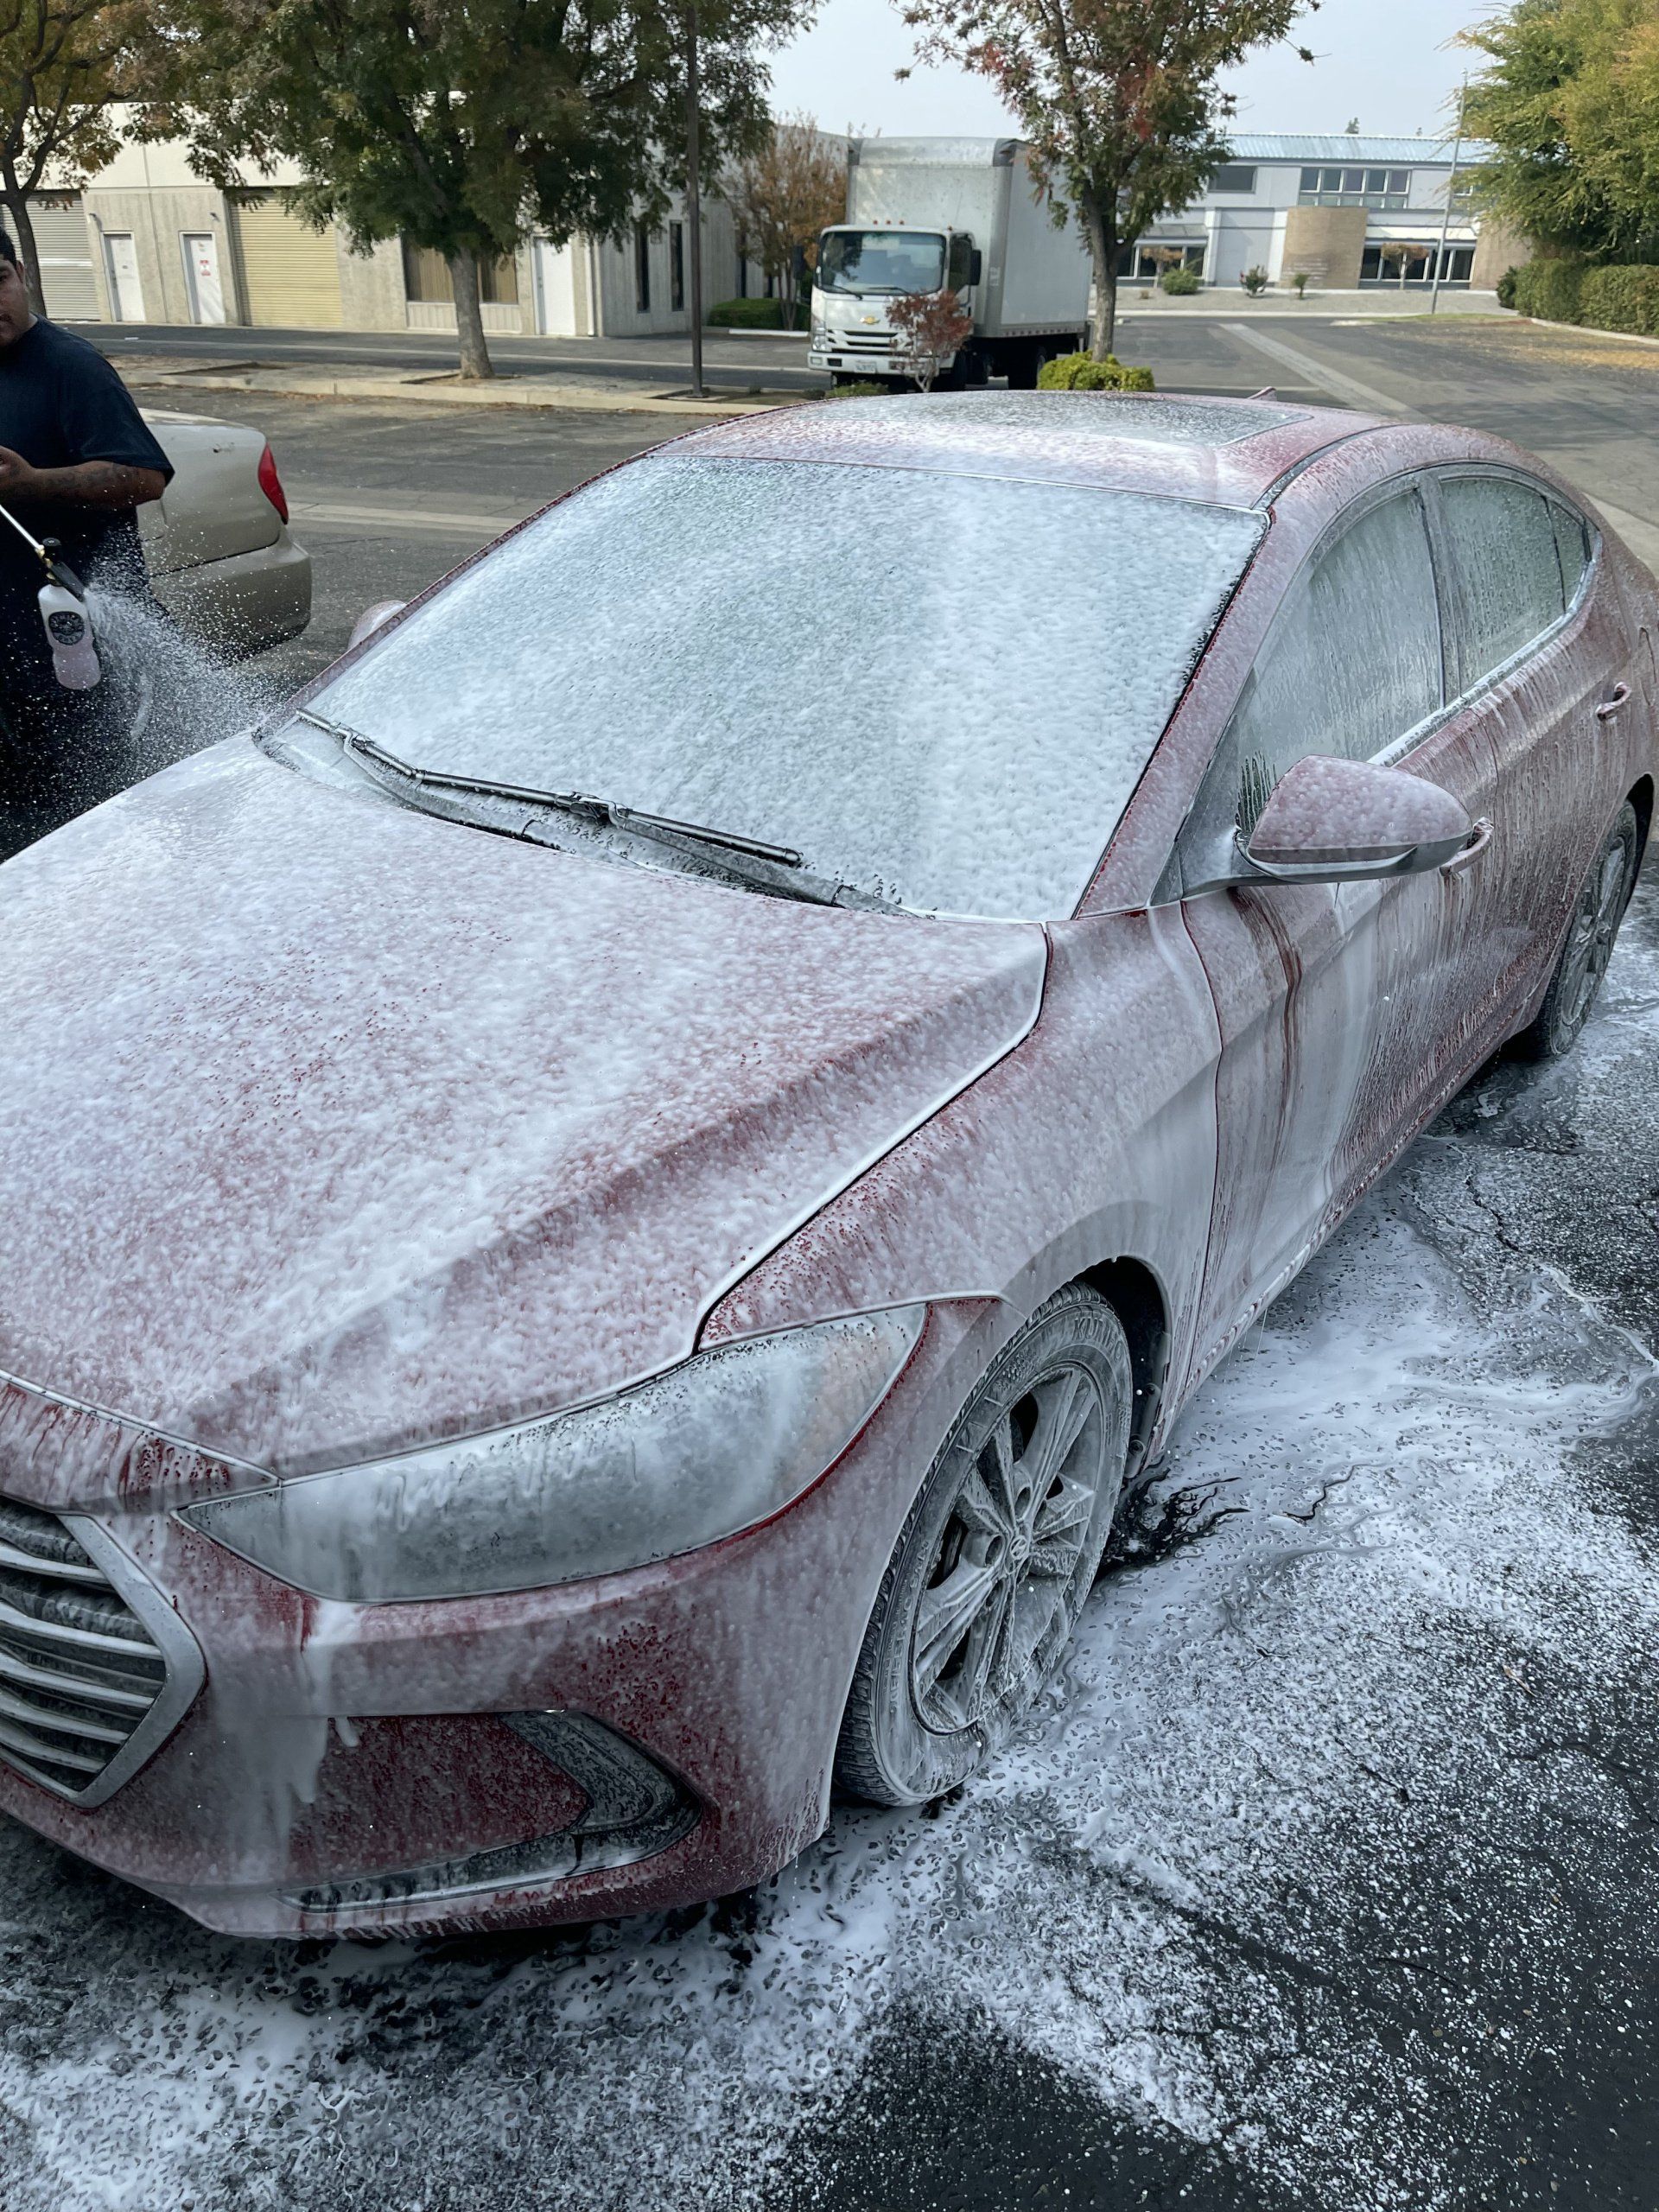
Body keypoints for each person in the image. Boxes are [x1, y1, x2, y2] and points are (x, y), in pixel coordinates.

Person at [0, 227, 172, 854]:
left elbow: (145, 476)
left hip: (73, 672)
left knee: (86, 844)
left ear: (21, 274)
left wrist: (35, 483)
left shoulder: (71, 368)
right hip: (7, 677)